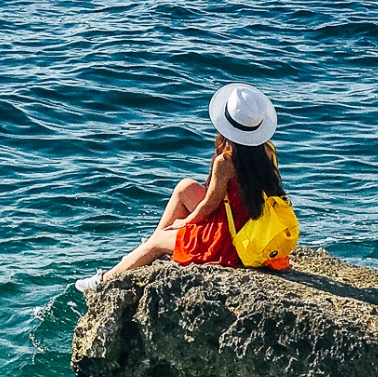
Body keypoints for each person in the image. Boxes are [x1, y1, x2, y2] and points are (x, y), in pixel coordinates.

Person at [77, 82, 286, 293]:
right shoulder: (268, 151)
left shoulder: (227, 161)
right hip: (250, 224)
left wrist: (185, 222)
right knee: (185, 187)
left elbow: (210, 206)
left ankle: (105, 280)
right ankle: (152, 245)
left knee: (156, 243)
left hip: (230, 242)